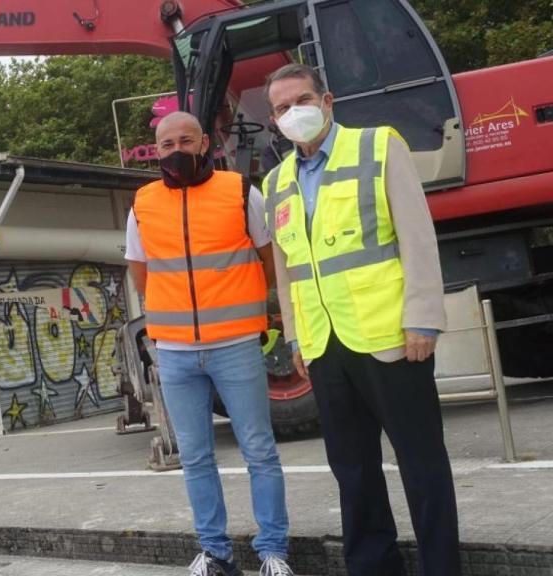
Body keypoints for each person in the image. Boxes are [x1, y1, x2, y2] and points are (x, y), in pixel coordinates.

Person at [261, 63, 461, 576]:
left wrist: (423, 318)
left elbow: (417, 237)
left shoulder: (377, 146)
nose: (293, 113)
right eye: (282, 108)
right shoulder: (276, 181)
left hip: (391, 337)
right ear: (274, 118)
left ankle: (442, 568)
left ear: (326, 102)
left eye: (301, 100)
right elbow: (288, 273)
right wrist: (299, 340)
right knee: (353, 473)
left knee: (422, 465)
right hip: (326, 348)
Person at [126, 111, 293, 576]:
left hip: (236, 344)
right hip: (175, 351)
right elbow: (141, 272)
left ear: (204, 143)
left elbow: (268, 259)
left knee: (259, 449)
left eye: (185, 140)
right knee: (196, 456)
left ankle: (273, 551)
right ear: (155, 151)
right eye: (165, 144)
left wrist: (251, 307)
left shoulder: (240, 191)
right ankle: (214, 552)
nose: (175, 150)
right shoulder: (142, 203)